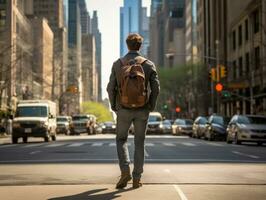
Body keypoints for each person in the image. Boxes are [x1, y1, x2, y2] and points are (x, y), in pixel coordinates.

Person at [107, 33, 160, 189]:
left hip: (123, 109)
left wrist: (114, 106)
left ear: (127, 45)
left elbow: (110, 88)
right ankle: (136, 179)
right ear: (140, 46)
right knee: (139, 143)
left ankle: (125, 171)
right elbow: (156, 88)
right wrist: (151, 105)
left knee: (121, 140)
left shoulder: (118, 64)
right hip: (142, 109)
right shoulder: (149, 64)